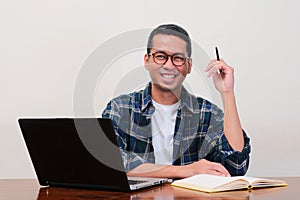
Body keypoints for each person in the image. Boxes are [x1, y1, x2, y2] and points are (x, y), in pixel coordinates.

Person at [102, 24, 250, 178]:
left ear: (189, 66)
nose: (169, 65)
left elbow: (236, 166)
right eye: (160, 56)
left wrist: (227, 93)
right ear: (147, 60)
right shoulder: (121, 108)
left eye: (178, 58)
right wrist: (187, 171)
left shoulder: (207, 113)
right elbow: (110, 162)